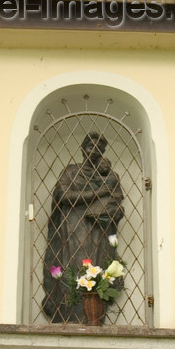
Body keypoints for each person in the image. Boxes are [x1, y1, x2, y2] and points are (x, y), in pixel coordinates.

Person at [42, 132, 124, 322]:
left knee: (96, 267)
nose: (93, 151)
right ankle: (69, 314)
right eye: (90, 147)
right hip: (72, 228)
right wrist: (97, 193)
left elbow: (118, 204)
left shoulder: (110, 176)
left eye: (98, 148)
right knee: (73, 268)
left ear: (103, 152)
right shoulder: (71, 171)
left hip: (98, 231)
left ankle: (93, 316)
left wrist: (110, 211)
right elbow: (62, 195)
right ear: (82, 149)